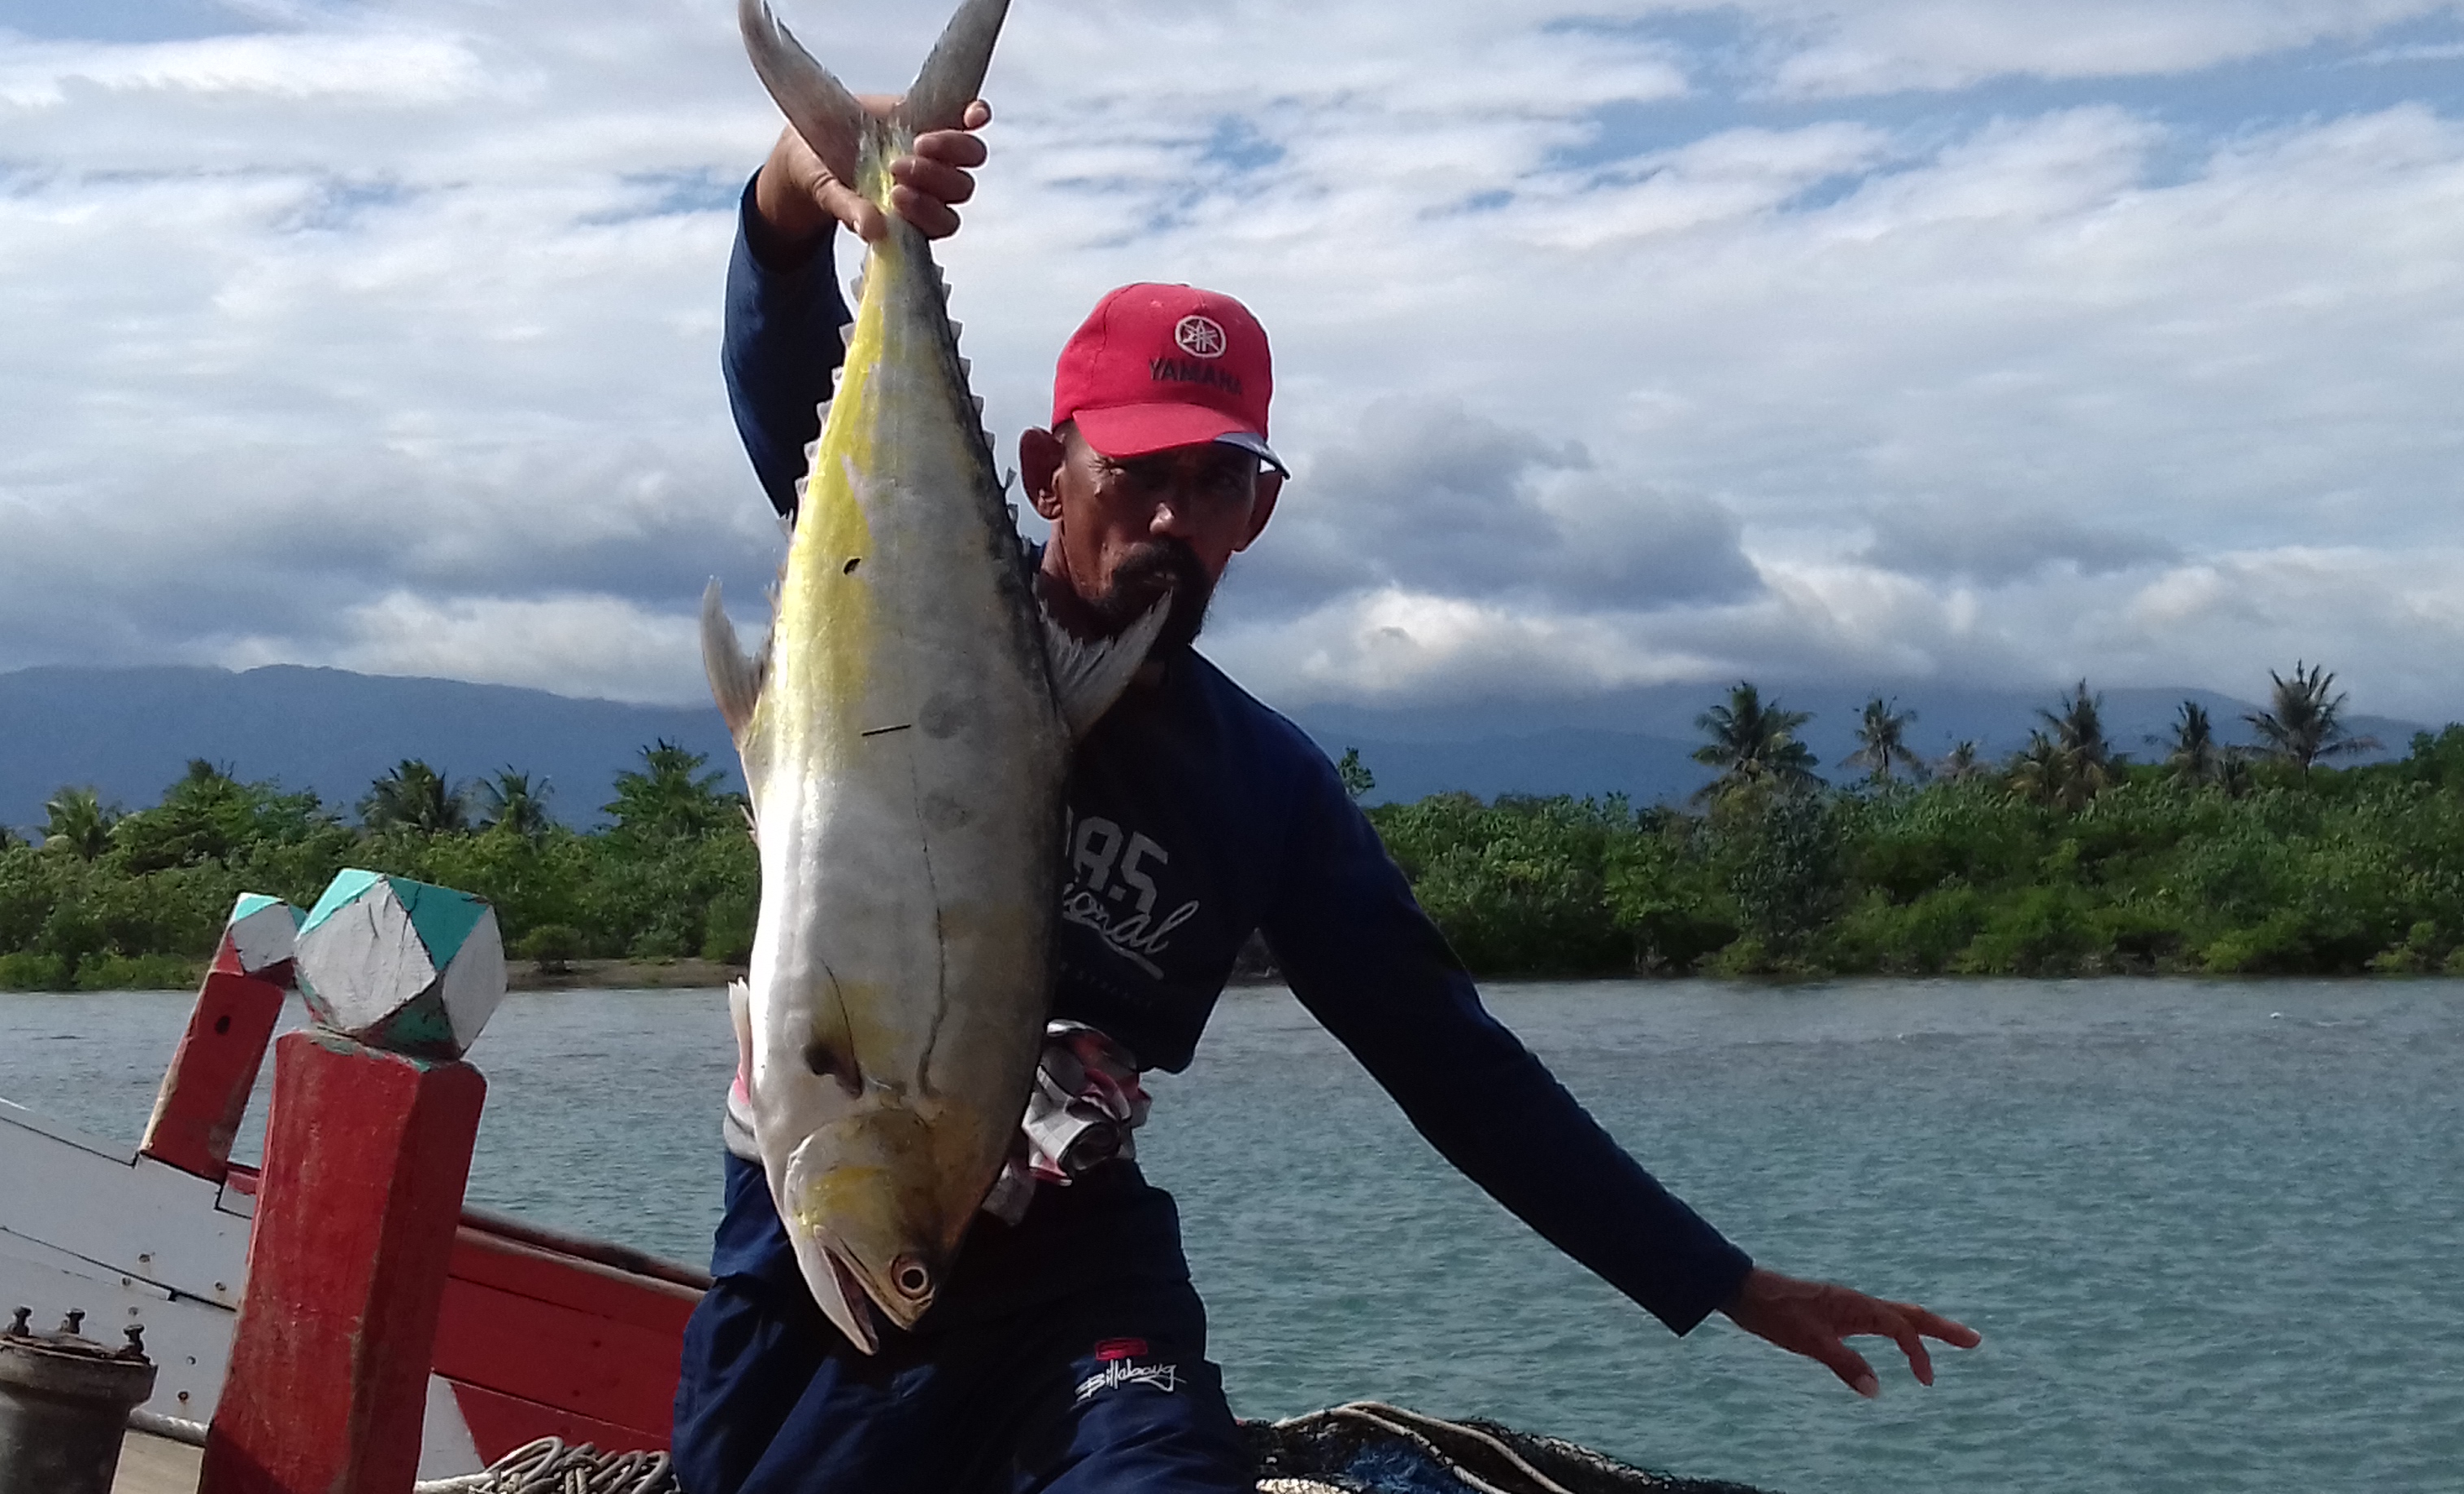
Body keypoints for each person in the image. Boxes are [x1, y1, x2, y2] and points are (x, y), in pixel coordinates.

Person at [673, 97, 1980, 1494]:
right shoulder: (896, 616)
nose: (1177, 516)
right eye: (1142, 473)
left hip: (1079, 1288)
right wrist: (796, 201)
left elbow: (1458, 1070)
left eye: (1219, 481)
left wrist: (1723, 1279)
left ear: (1262, 510)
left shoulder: (1266, 787)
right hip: (832, 1233)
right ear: (1051, 477)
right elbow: (798, 393)